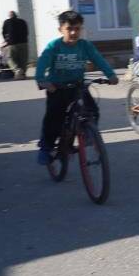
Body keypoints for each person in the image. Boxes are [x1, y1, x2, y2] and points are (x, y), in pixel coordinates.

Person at [35, 10, 118, 165]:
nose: (74, 32)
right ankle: (46, 147)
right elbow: (42, 64)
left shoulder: (84, 45)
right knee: (54, 118)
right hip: (57, 88)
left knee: (92, 111)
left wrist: (110, 75)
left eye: (77, 29)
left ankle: (86, 134)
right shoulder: (54, 46)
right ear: (60, 29)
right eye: (69, 29)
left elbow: (98, 59)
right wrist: (42, 80)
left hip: (77, 86)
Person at [1, 11, 29, 79]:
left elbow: (3, 32)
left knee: (10, 58)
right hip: (23, 43)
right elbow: (27, 32)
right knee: (23, 59)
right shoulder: (23, 21)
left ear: (10, 16)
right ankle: (23, 74)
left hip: (12, 43)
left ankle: (17, 70)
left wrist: (6, 40)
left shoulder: (7, 22)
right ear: (16, 15)